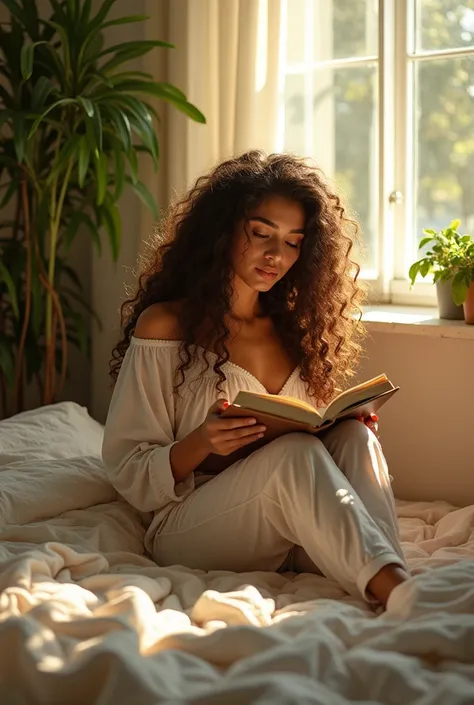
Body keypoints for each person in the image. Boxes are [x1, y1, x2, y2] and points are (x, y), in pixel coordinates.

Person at [103, 150, 409, 608]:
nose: (275, 255)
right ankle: (402, 594)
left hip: (284, 528)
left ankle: (390, 574)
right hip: (191, 526)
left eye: (292, 242)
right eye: (261, 234)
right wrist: (203, 441)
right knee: (293, 453)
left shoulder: (294, 332)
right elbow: (127, 468)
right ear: (222, 231)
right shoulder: (165, 325)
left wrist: (344, 425)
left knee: (355, 441)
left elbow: (309, 439)